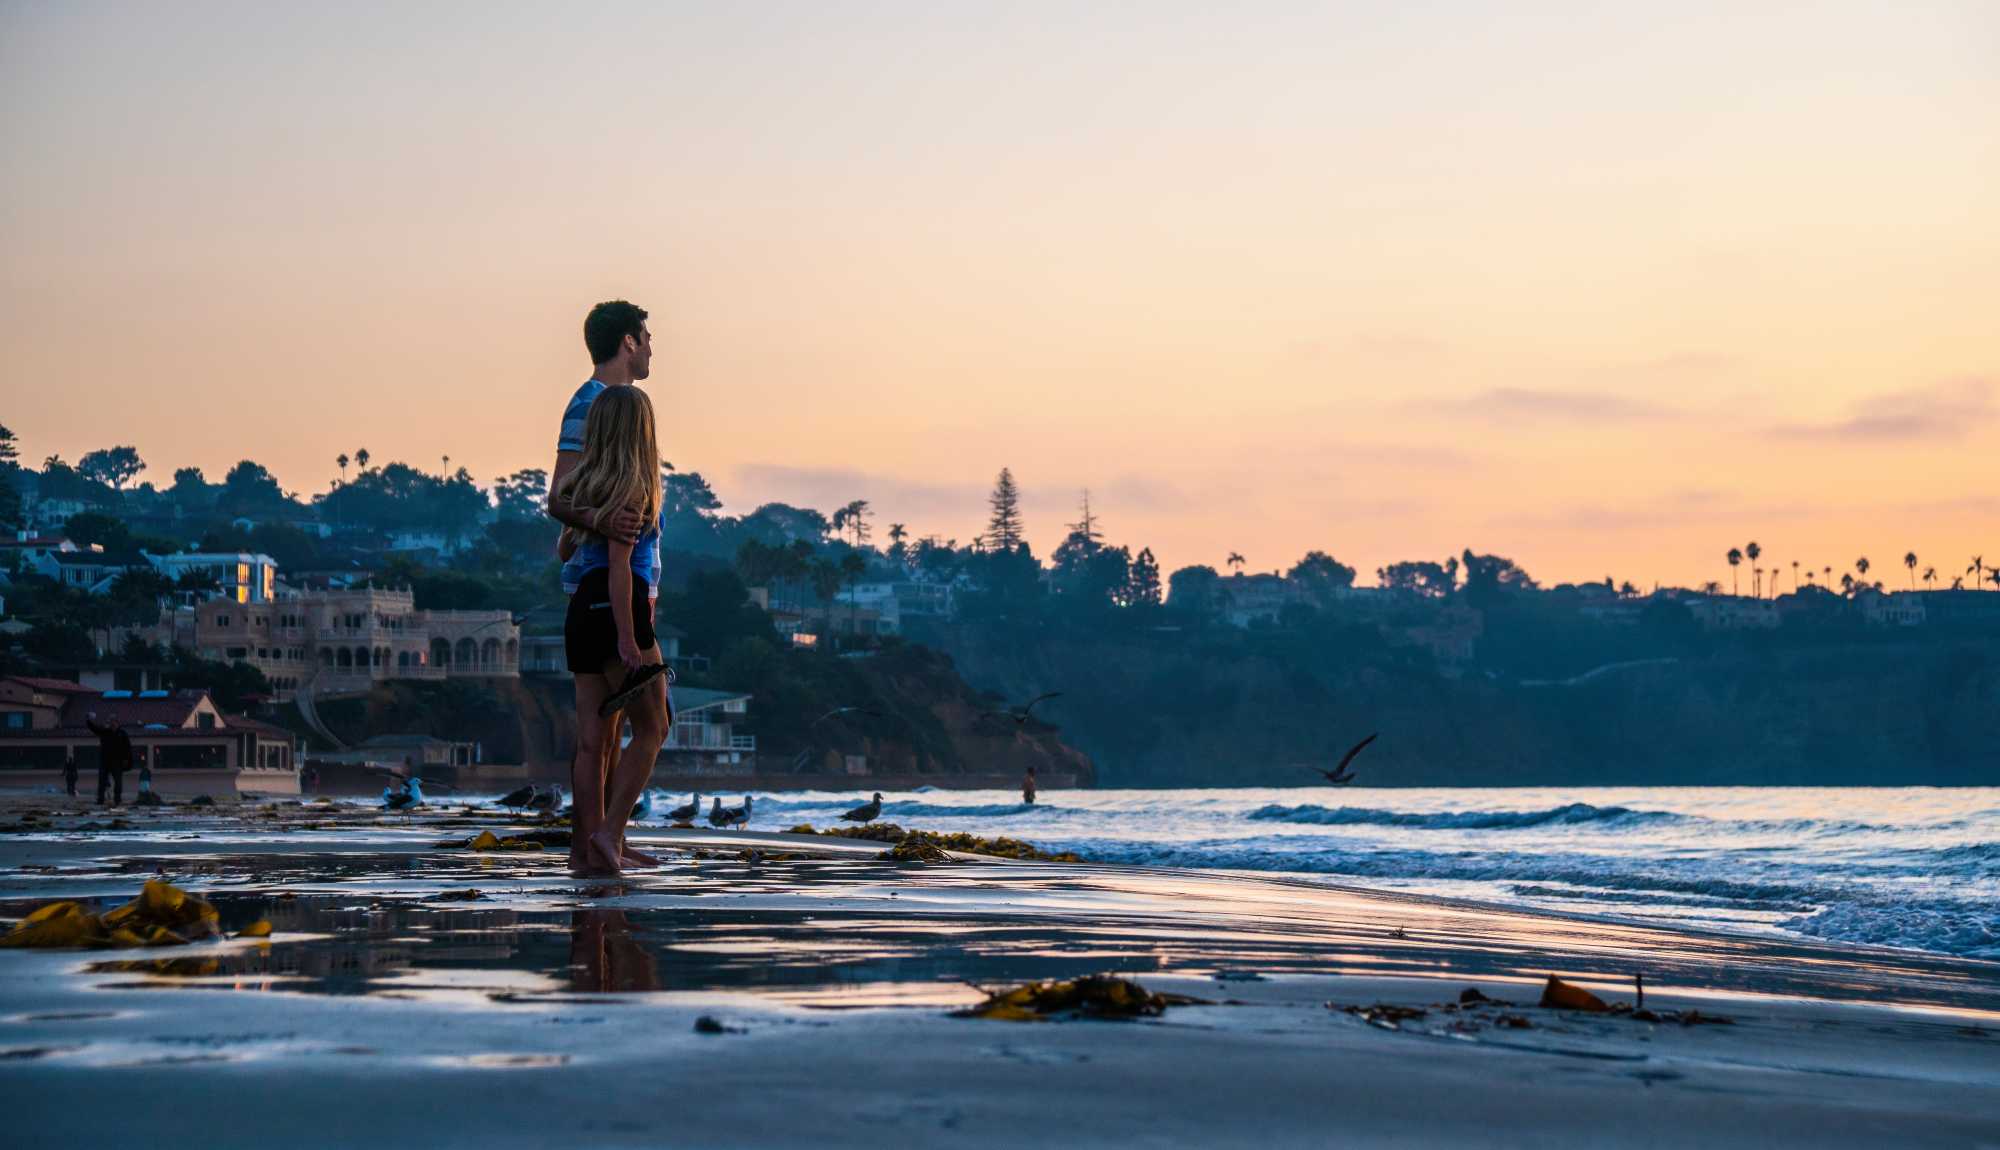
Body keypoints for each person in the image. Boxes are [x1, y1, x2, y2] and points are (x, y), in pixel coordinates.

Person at [548, 315, 672, 875]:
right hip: (612, 604)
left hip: (584, 608)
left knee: (597, 735)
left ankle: (595, 847)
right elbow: (563, 503)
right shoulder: (594, 405)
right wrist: (627, 632)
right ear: (629, 341)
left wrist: (585, 525)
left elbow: (565, 535)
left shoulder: (601, 462)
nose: (653, 349)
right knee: (653, 723)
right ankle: (604, 838)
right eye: (648, 338)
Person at [85, 714, 132, 806]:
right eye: (111, 722)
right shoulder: (105, 732)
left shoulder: (122, 734)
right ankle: (100, 799)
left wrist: (126, 759)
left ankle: (117, 800)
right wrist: (89, 721)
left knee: (118, 782)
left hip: (117, 762)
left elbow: (127, 748)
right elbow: (95, 729)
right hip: (105, 761)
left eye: (114, 722)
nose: (112, 724)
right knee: (102, 782)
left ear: (117, 723)